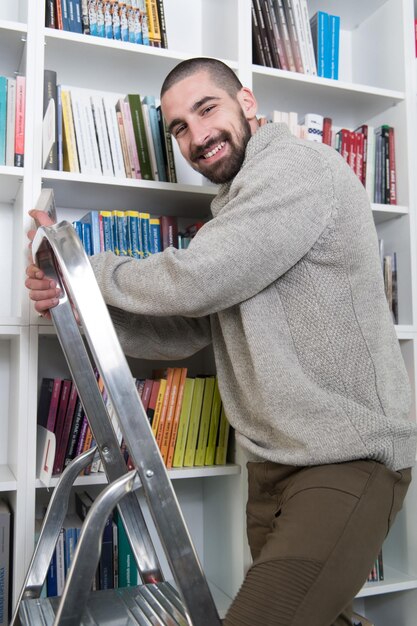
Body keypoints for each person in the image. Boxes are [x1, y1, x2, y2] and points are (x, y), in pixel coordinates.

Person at [26, 57, 416, 626]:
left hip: (347, 459)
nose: (197, 135)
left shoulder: (296, 168)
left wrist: (81, 267)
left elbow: (197, 279)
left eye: (207, 109)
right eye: (179, 127)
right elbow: (188, 328)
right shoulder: (234, 211)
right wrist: (78, 306)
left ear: (247, 103)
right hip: (273, 466)